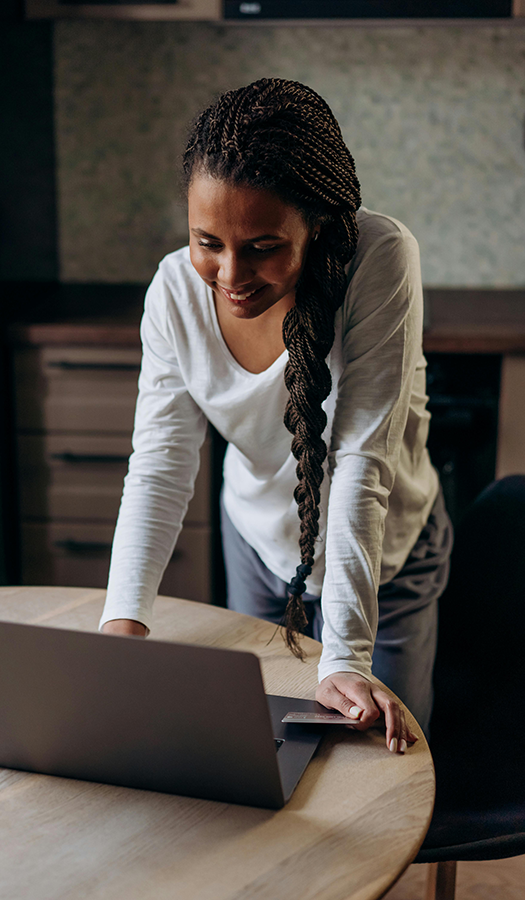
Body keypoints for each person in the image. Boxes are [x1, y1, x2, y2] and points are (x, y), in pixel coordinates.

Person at [100, 78, 452, 753]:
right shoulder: (174, 294)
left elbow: (360, 460)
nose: (231, 273)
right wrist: (124, 623)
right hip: (261, 551)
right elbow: (161, 466)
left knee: (383, 771)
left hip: (386, 562)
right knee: (259, 757)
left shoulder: (378, 257)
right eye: (208, 242)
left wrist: (346, 657)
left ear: (315, 225)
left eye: (262, 245)